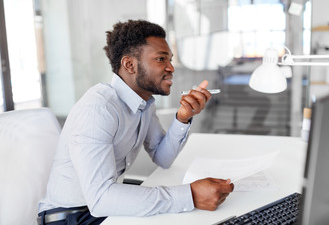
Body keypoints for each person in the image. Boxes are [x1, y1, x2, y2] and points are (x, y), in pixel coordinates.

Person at [38, 19, 234, 224]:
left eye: (170, 60)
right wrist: (190, 195)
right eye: (161, 59)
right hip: (72, 216)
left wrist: (183, 118)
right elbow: (101, 199)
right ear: (129, 64)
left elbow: (162, 157)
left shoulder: (144, 102)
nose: (171, 68)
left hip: (102, 206)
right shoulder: (98, 110)